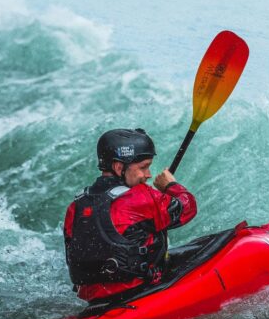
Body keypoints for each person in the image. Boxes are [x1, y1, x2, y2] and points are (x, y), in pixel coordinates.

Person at [63, 128, 197, 303]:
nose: (148, 175)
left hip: (95, 300)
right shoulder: (141, 197)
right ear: (119, 168)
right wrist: (170, 185)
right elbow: (188, 207)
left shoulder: (76, 205)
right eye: (143, 167)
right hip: (139, 292)